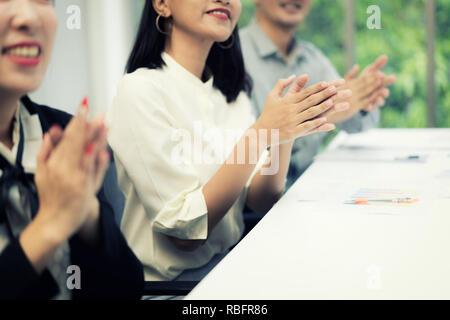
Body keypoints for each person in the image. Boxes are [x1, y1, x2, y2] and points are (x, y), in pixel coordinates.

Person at [107, 0, 352, 285]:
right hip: (170, 289)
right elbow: (185, 232)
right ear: (161, 4)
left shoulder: (229, 93)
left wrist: (284, 134)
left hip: (229, 269)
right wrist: (261, 134)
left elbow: (263, 198)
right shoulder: (141, 90)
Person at [0, 0, 144, 300]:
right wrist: (52, 222)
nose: (28, 17)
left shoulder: (60, 134)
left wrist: (87, 214)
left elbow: (126, 290)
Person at [240, 0, 397, 187]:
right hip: (259, 210)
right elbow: (240, 145)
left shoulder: (313, 58)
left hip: (310, 193)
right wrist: (318, 116)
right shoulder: (232, 54)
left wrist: (362, 100)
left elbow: (357, 124)